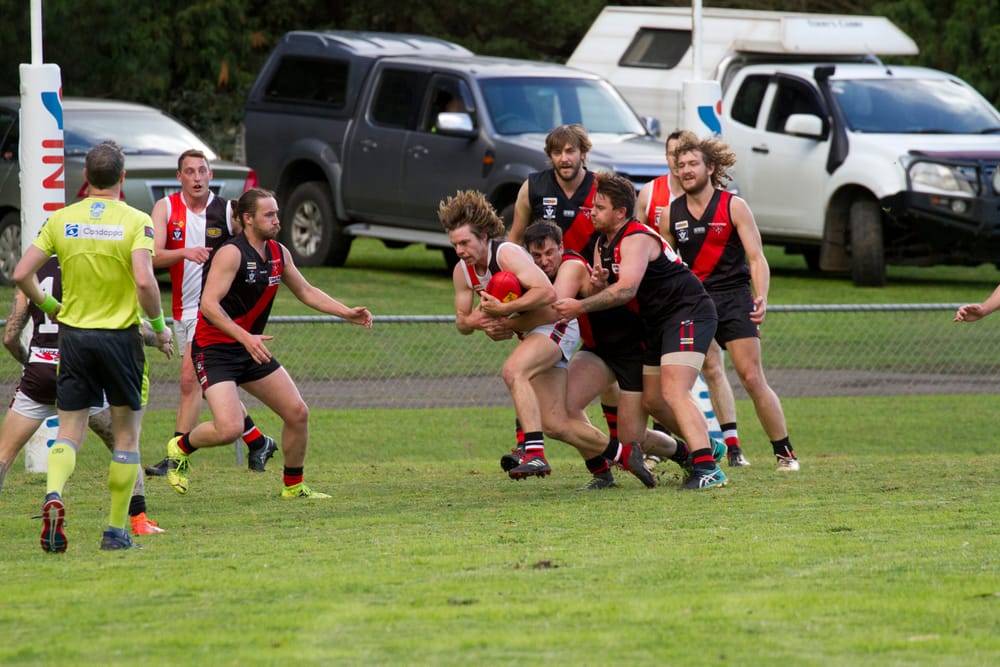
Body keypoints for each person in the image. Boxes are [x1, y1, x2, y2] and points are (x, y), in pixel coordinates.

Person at [13, 140, 174, 552]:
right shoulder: (136, 221)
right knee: (126, 437)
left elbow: (21, 272)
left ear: (86, 179)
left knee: (68, 431)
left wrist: (50, 304)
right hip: (121, 339)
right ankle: (116, 532)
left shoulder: (61, 219)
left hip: (75, 338)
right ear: (122, 177)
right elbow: (144, 280)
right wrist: (159, 326)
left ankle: (54, 494)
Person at [163, 188, 372, 499]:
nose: (277, 220)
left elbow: (307, 291)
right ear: (248, 219)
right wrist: (245, 336)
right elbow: (208, 305)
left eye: (276, 213)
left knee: (297, 412)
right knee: (230, 429)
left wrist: (347, 312)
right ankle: (180, 447)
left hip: (250, 347)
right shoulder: (231, 253)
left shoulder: (278, 253)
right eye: (269, 215)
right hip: (215, 349)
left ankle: (293, 486)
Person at [439, 190, 653, 486]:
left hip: (556, 323)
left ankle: (533, 451)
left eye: (465, 242)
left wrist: (505, 311)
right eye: (454, 245)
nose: (460, 250)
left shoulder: (506, 254)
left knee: (513, 371)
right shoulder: (462, 273)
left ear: (484, 236)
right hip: (531, 331)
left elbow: (547, 294)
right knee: (556, 423)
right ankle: (622, 456)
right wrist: (482, 322)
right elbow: (462, 322)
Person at [554, 173, 728, 490]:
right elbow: (615, 288)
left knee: (674, 392)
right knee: (654, 402)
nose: (592, 211)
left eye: (601, 207)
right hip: (657, 324)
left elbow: (627, 290)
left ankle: (708, 467)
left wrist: (580, 306)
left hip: (687, 312)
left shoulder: (635, 237)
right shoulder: (604, 243)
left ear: (621, 212)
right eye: (593, 205)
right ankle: (704, 448)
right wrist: (599, 283)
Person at [0, 258, 165, 535]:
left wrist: (31, 363)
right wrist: (159, 335)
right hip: (80, 369)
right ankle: (138, 521)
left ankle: (54, 493)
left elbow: (9, 337)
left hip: (39, 373)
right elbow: (129, 322)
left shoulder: (35, 270)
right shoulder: (90, 264)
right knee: (124, 444)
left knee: (4, 454)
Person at [664, 135, 799, 471]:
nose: (686, 170)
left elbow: (757, 258)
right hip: (696, 303)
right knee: (681, 379)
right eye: (680, 165)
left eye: (693, 164)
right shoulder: (670, 214)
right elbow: (666, 267)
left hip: (736, 299)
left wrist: (762, 296)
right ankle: (704, 449)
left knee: (751, 378)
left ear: (710, 168)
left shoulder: (734, 206)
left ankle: (785, 453)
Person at [524, 221, 688, 489]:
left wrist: (506, 319)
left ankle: (690, 454)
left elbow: (553, 309)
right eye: (537, 256)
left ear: (562, 248)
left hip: (632, 349)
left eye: (549, 253)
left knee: (632, 438)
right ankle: (602, 472)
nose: (544, 261)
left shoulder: (571, 265)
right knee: (561, 414)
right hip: (598, 350)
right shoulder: (534, 277)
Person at [145, 149, 277, 477]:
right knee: (214, 388)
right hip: (182, 310)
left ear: (211, 176)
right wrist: (185, 253)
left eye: (202, 171)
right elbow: (150, 257)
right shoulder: (165, 208)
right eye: (189, 172)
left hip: (213, 312)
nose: (197, 177)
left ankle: (176, 456)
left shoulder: (229, 211)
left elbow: (255, 240)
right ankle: (258, 441)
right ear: (179, 177)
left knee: (190, 380)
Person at [638, 130, 749, 467]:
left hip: (701, 300)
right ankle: (678, 446)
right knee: (660, 387)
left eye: (686, 158)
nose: (680, 163)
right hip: (671, 299)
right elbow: (645, 243)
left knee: (707, 370)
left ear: (704, 165)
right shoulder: (651, 194)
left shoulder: (719, 199)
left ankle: (728, 447)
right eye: (674, 157)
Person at [509, 124, 597, 256]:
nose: (564, 159)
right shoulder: (532, 186)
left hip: (588, 273)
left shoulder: (600, 187)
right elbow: (515, 241)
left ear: (583, 153)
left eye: (570, 151)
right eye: (557, 152)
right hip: (543, 272)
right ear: (550, 156)